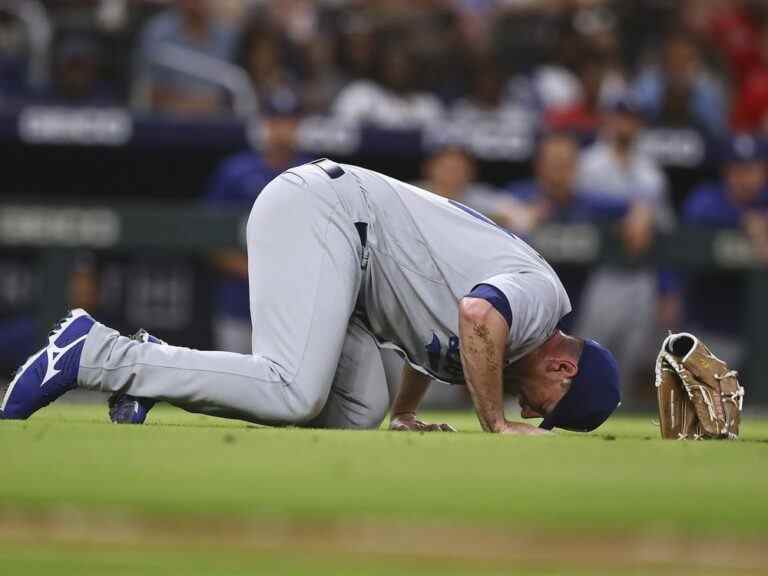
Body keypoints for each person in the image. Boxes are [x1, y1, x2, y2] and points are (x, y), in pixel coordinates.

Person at [1, 159, 620, 435]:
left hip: (348, 254)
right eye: (550, 409)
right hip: (326, 214)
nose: (537, 414)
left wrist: (405, 410)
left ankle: (149, 373)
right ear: (564, 368)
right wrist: (497, 422)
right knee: (294, 388)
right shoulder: (542, 298)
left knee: (355, 415)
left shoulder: (516, 345)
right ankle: (92, 353)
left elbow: (445, 337)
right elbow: (476, 314)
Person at [679, 134, 768, 365]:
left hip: (758, 330)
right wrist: (743, 220)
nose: (744, 178)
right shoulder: (707, 198)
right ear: (725, 172)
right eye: (737, 170)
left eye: (752, 169)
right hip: (713, 326)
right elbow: (695, 214)